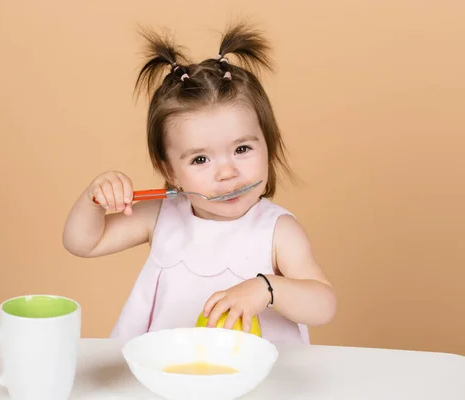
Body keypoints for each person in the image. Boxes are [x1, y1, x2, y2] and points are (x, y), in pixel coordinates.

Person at [62, 22, 337, 344]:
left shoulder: (276, 230)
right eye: (200, 160)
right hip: (169, 376)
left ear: (269, 146)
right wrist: (94, 197)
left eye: (242, 149)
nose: (227, 172)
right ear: (170, 171)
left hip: (255, 382)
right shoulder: (161, 216)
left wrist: (266, 288)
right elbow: (83, 243)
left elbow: (323, 305)